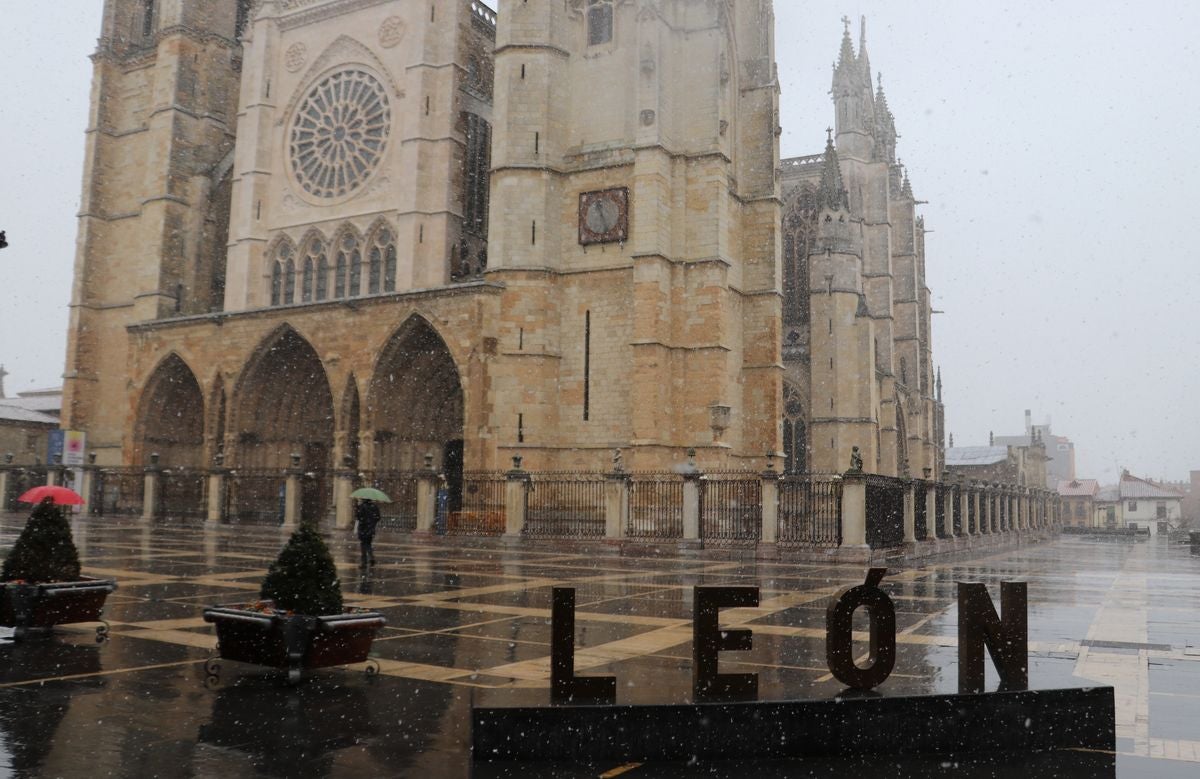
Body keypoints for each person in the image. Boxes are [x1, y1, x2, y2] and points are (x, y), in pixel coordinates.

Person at [354, 498, 381, 567]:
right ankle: (371, 557)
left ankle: (364, 562)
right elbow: (378, 517)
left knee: (363, 545)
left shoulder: (362, 506)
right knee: (368, 544)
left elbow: (358, 517)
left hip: (363, 528)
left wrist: (357, 508)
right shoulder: (374, 507)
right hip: (371, 528)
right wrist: (372, 522)